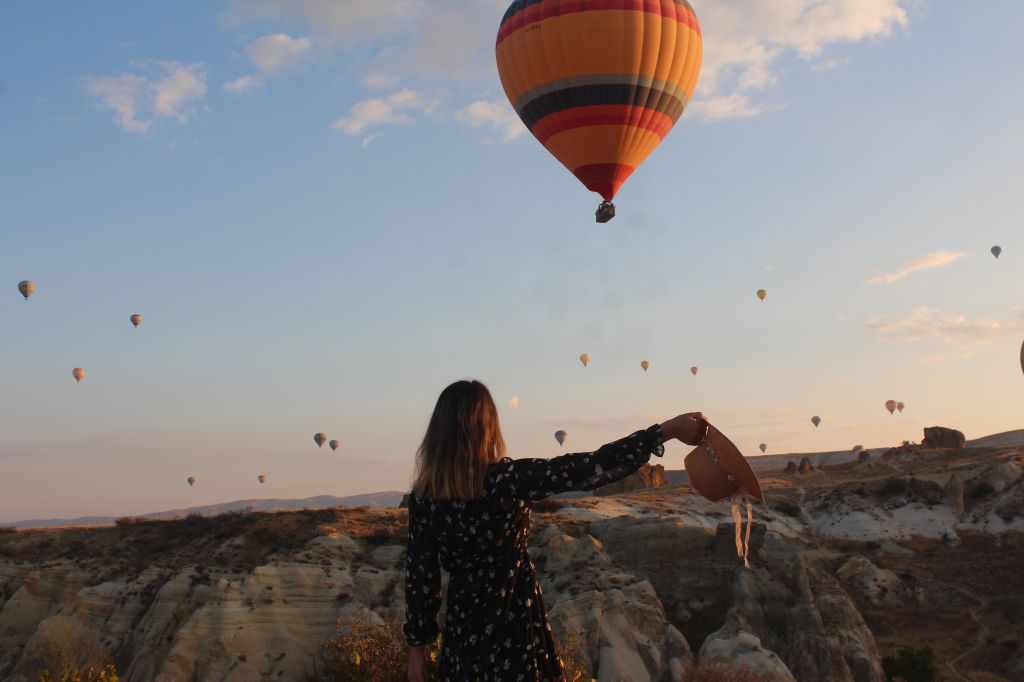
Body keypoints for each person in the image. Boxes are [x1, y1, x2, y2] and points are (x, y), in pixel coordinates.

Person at [404, 379, 707, 681]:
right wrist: (666, 431)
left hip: (463, 637)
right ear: (487, 426)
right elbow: (590, 465)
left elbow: (421, 580)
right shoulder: (509, 479)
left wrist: (416, 656)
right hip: (516, 631)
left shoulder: (425, 498)